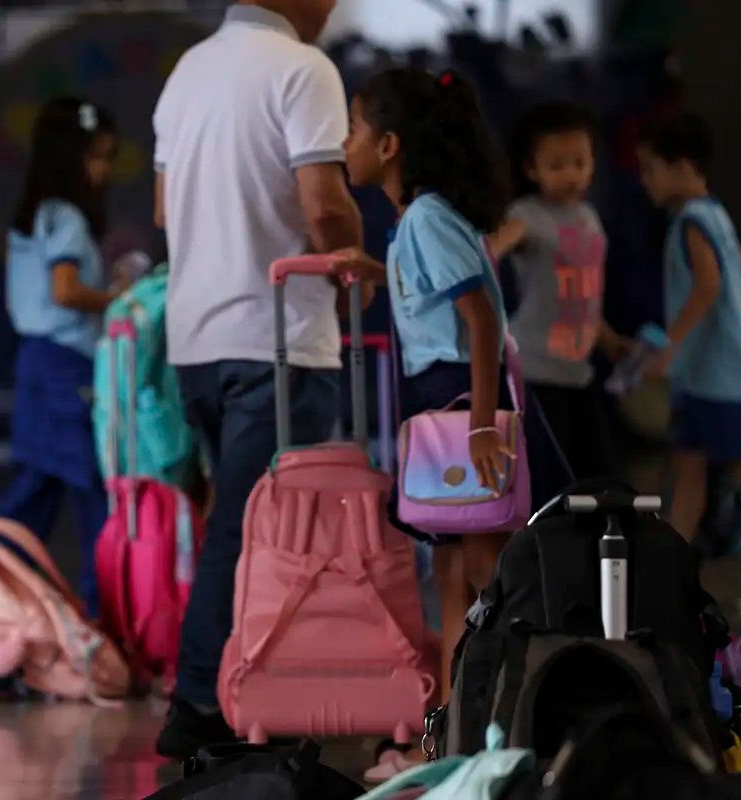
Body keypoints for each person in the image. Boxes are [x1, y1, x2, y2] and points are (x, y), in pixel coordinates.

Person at [151, 0, 362, 758]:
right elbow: (324, 206)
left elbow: (163, 210)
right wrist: (353, 267)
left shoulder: (187, 71)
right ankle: (202, 701)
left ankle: (241, 692)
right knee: (258, 531)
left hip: (197, 340)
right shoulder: (304, 70)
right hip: (277, 338)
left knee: (239, 521)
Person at [336, 68, 515, 705]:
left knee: (483, 567)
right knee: (450, 568)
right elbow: (432, 299)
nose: (344, 143)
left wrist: (483, 425)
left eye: (353, 129)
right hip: (439, 399)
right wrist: (376, 270)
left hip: (460, 400)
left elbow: (481, 321)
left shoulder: (427, 218)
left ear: (388, 146)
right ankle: (452, 721)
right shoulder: (416, 221)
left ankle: (501, 709)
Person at [0, 97, 122, 616]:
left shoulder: (31, 218)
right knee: (94, 490)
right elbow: (66, 290)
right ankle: (105, 613)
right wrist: (120, 296)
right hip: (67, 366)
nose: (104, 171)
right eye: (98, 157)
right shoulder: (68, 216)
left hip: (33, 361)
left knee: (34, 490)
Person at [489, 101, 617, 493]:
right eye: (557, 165)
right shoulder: (527, 215)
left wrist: (611, 341)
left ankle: (591, 534)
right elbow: (492, 249)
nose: (571, 175)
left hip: (580, 372)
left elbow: (584, 295)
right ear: (532, 170)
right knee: (550, 481)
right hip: (536, 373)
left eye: (580, 163)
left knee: (596, 474)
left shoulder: (589, 217)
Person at [638, 113, 741, 541]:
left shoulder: (692, 220)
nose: (644, 180)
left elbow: (709, 284)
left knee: (727, 465)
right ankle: (673, 556)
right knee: (689, 467)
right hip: (702, 376)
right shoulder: (714, 213)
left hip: (717, 375)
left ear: (680, 166)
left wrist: (670, 346)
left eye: (650, 169)